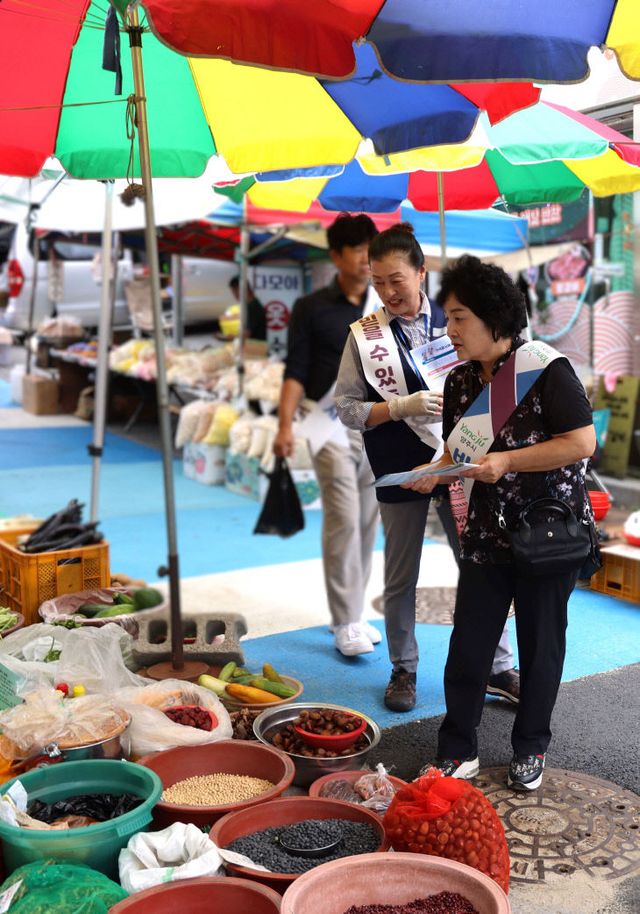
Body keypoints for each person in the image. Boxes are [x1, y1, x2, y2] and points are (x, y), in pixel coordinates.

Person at [405, 255, 596, 790]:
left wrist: (509, 461)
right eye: (448, 317)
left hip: (548, 534)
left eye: (460, 317)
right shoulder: (464, 382)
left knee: (541, 644)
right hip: (488, 534)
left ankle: (531, 747)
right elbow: (457, 452)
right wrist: (429, 473)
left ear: (495, 317)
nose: (450, 330)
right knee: (469, 643)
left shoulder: (548, 369)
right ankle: (457, 748)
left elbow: (582, 443)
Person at [335, 224, 519, 712]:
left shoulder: (458, 321)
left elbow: (498, 384)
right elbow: (348, 409)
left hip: (462, 463)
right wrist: (399, 408)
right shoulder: (366, 339)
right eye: (378, 282)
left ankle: (499, 666)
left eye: (396, 279)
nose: (388, 292)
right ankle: (404, 669)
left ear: (422, 273)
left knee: (480, 564)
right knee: (401, 575)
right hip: (402, 467)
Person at [273, 213, 381, 657]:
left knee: (369, 522)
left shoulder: (383, 306)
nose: (364, 259)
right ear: (336, 255)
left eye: (369, 249)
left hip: (376, 422)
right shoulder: (311, 307)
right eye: (356, 250)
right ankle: (346, 621)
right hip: (325, 422)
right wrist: (283, 426)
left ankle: (355, 611)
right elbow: (295, 369)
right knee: (343, 518)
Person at [229, 276, 267, 341]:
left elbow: (247, 334)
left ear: (243, 289)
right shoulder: (250, 304)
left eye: (235, 291)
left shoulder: (253, 307)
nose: (234, 295)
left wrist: (229, 337)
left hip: (256, 347)